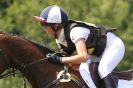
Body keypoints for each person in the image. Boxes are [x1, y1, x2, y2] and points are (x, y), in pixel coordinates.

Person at [34, 5, 125, 88]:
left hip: (113, 46)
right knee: (83, 70)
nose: (44, 29)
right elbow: (71, 61)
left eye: (45, 25)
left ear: (56, 26)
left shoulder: (75, 32)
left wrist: (59, 60)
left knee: (103, 69)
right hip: (97, 54)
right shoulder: (59, 39)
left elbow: (83, 57)